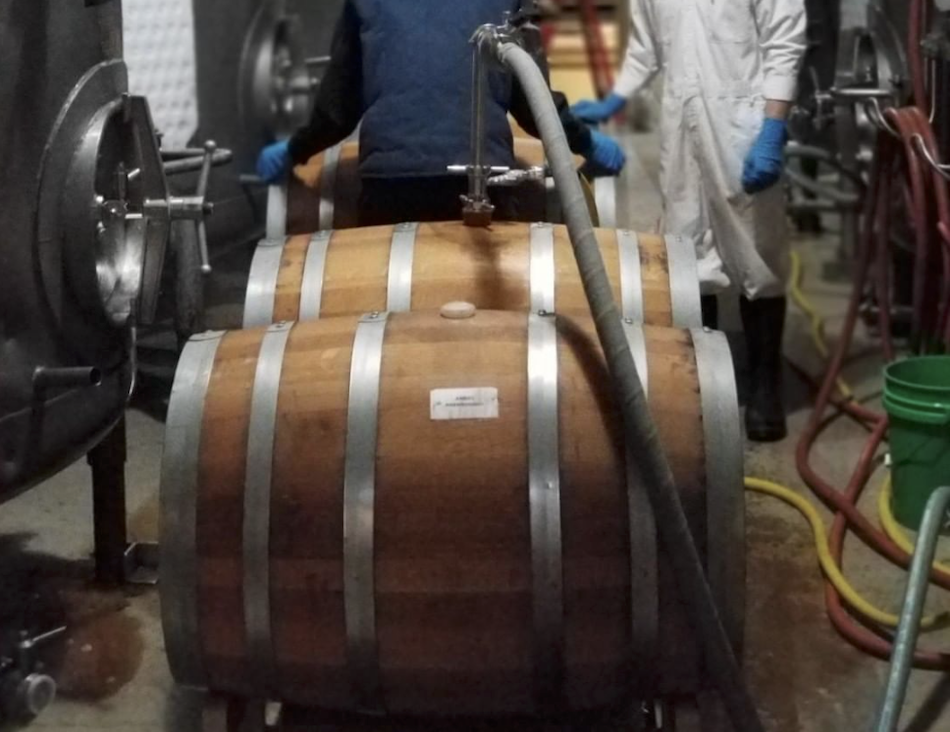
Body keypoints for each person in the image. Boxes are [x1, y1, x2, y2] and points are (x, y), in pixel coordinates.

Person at [572, 0, 807, 442]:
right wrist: (615, 99)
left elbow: (784, 44)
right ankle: (704, 383)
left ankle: (764, 385)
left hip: (742, 125)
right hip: (682, 126)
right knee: (688, 252)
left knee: (757, 253)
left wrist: (774, 127)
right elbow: (645, 49)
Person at [257, 0, 627, 226]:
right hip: (481, 182)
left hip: (390, 183)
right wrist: (587, 143)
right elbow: (534, 103)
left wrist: (294, 150)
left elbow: (337, 110)